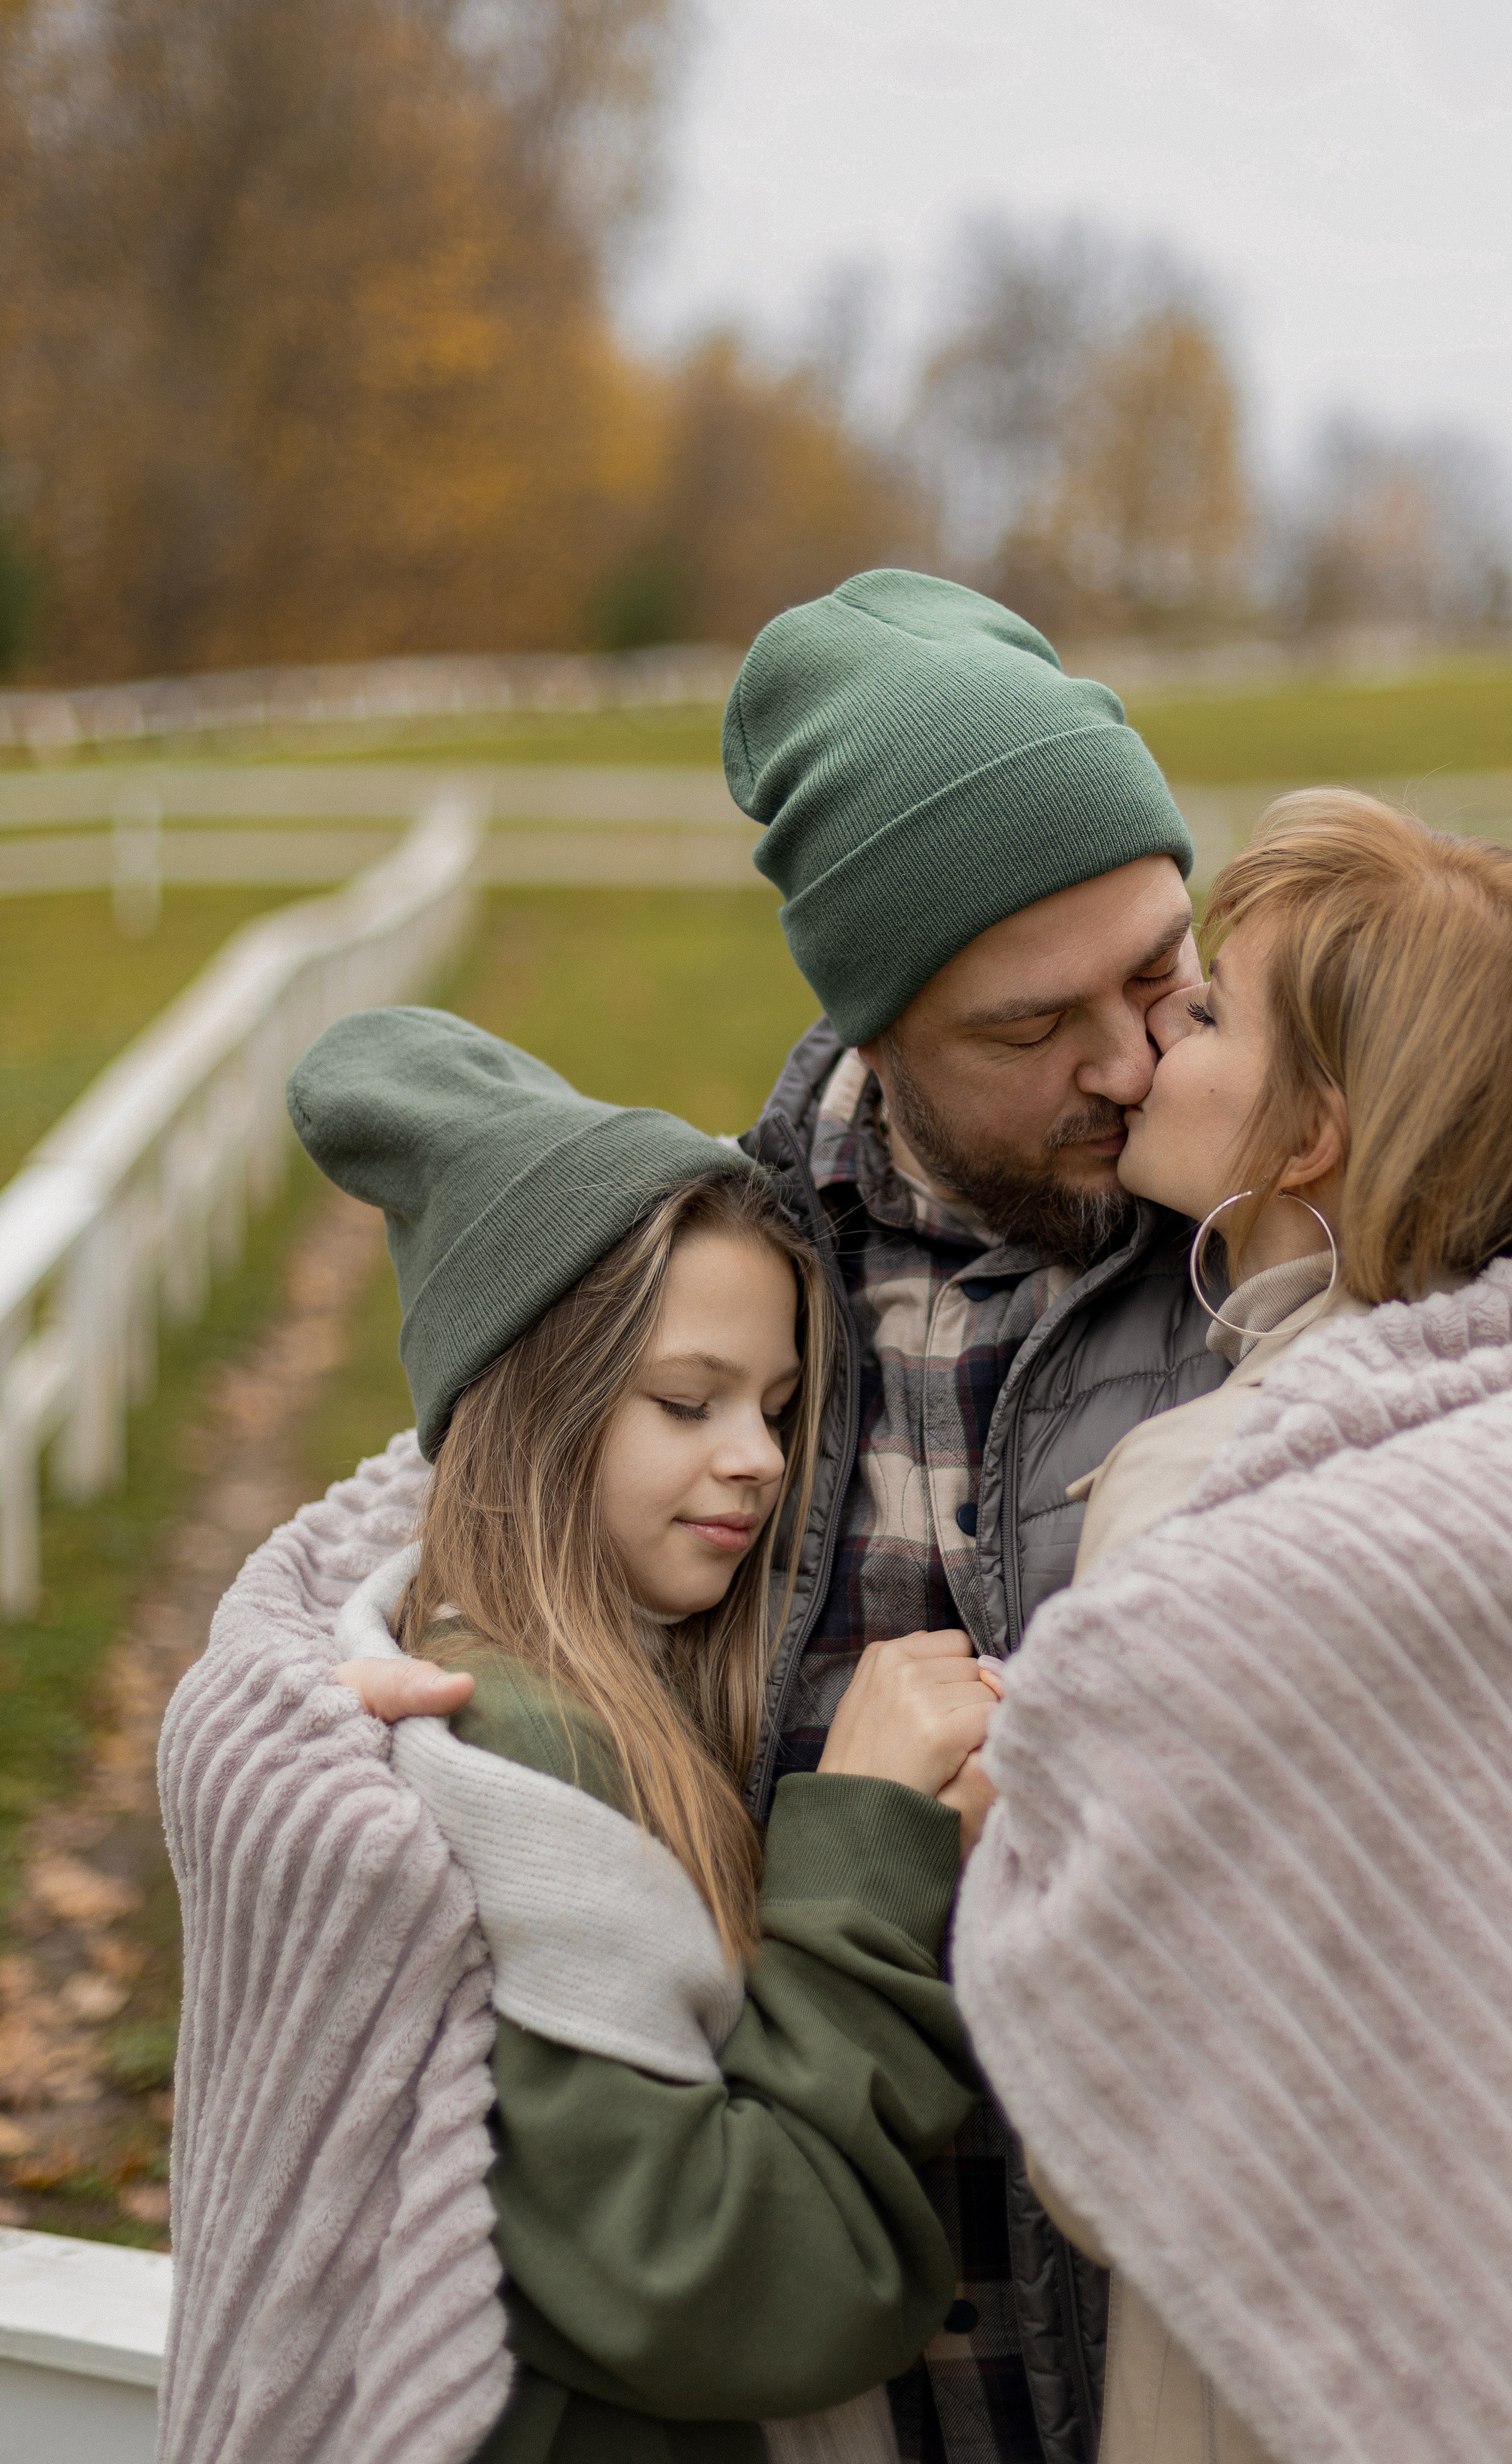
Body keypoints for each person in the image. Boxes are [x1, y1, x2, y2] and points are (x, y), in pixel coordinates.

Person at [341, 568, 1227, 2464]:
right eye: (1036, 1024)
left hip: (1191, 2357)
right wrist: (296, 1686)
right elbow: (463, 1529)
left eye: (1165, 969)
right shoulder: (730, 1290)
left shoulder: (1299, 1256)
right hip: (828, 2370)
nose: (1137, 1064)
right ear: (877, 1021)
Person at [951, 791, 1512, 2464]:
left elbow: (1111, 2126)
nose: (1144, 1046)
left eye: (1202, 1013)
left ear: (1307, 1141)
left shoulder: (1217, 1508)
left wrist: (990, 1829)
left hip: (1299, 2383)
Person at [159, 1007, 1004, 2464]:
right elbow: (747, 2284)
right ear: (535, 1408)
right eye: (685, 1402)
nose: (753, 1455)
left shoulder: (560, 1671)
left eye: (779, 1406)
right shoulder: (519, 1753)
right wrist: (861, 1848)